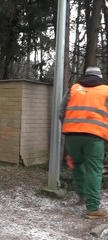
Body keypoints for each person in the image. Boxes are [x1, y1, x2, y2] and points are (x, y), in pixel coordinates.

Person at [60, 66, 108, 219]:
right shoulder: (105, 91)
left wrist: (71, 127)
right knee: (94, 170)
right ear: (99, 77)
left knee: (77, 163)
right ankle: (92, 208)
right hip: (95, 137)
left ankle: (83, 196)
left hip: (72, 136)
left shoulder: (74, 89)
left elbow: (61, 112)